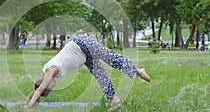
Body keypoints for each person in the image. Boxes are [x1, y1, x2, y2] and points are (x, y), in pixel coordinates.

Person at [24, 35, 152, 107]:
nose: (54, 86)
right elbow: (38, 90)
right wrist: (28, 101)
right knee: (100, 75)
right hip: (84, 56)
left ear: (47, 82)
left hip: (82, 45)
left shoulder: (50, 71)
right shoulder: (48, 76)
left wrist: (28, 107)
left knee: (110, 58)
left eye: (50, 87)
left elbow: (40, 89)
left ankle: (138, 70)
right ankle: (114, 98)